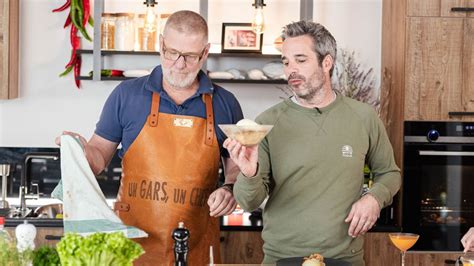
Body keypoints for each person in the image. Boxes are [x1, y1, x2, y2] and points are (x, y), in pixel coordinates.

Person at [56, 10, 243, 265]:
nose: (179, 64)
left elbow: (236, 169)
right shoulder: (126, 95)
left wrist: (230, 189)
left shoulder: (226, 104)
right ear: (160, 44)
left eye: (189, 56)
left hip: (197, 246)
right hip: (132, 250)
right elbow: (99, 155)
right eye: (171, 53)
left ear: (206, 52)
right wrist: (79, 150)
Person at [223, 20, 401, 265]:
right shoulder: (267, 122)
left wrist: (374, 198)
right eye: (286, 62)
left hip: (345, 258)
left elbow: (389, 173)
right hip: (282, 258)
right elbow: (248, 201)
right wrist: (249, 172)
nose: (290, 70)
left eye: (301, 60)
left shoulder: (363, 116)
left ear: (326, 63)